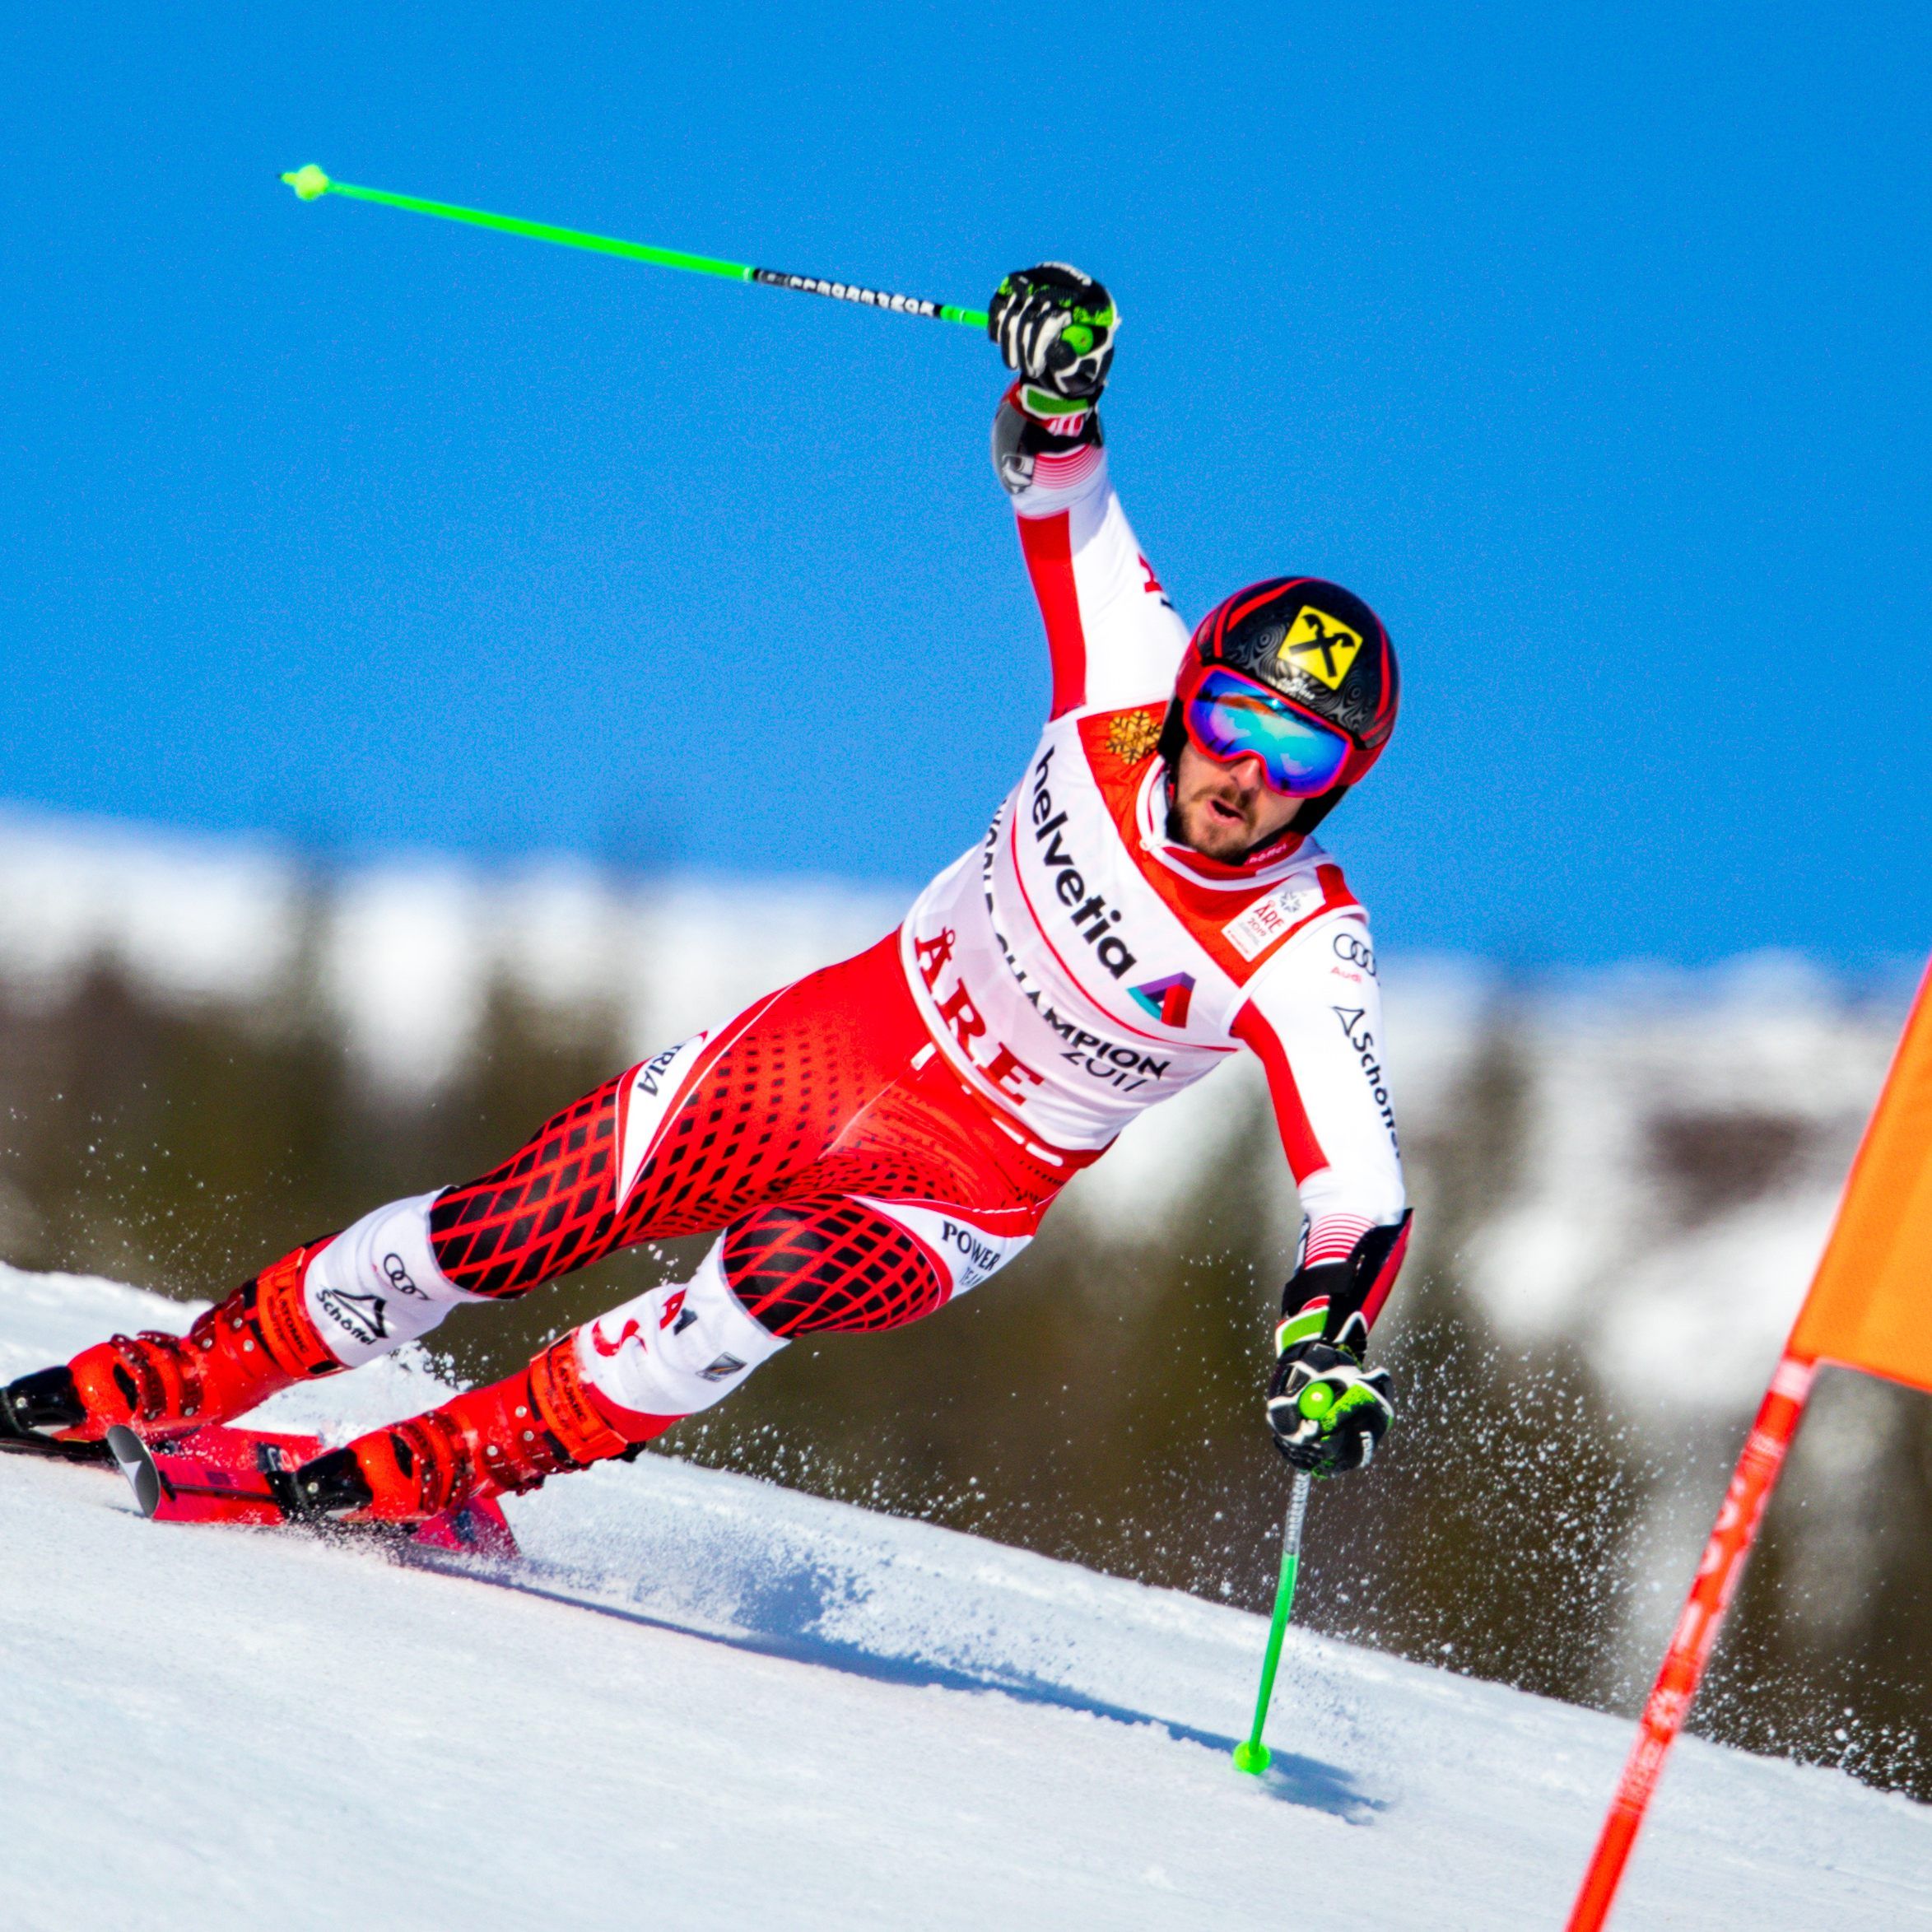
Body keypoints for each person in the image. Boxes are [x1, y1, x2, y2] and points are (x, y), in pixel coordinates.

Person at [2, 266, 1412, 1522]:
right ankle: (191, 1371)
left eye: (1301, 755)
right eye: (1236, 719)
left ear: (1335, 785)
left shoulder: (1303, 941)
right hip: (830, 1044)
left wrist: (1325, 1344)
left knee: (769, 1274)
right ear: (1191, 697)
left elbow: (1358, 1186)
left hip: (958, 1186)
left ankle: (472, 1458)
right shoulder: (1125, 673)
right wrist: (1059, 370)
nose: (1249, 774)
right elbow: (1060, 479)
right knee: (506, 1225)